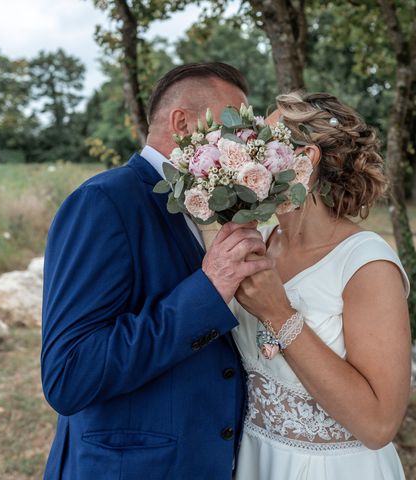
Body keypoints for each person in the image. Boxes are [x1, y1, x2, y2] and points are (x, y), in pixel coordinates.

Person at [40, 63, 274, 479]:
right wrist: (208, 288)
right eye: (233, 126)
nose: (244, 142)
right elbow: (69, 374)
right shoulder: (104, 203)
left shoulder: (205, 203)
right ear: (182, 122)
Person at [231, 91, 412, 479]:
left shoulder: (365, 263)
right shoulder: (258, 240)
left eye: (264, 142)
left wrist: (279, 315)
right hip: (257, 459)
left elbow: (379, 425)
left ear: (304, 160)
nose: (249, 152)